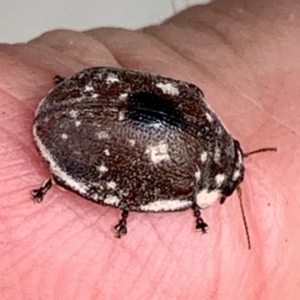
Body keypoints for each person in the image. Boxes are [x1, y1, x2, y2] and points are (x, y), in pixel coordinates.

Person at [1, 0, 298, 299]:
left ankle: (56, 170)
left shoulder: (201, 111)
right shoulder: (186, 181)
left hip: (82, 96)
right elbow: (135, 192)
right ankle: (56, 177)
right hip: (73, 125)